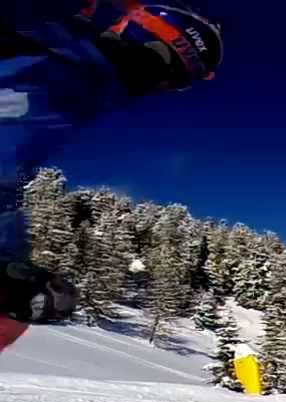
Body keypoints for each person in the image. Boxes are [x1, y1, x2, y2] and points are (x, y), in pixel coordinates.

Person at [0, 1, 222, 352]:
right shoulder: (56, 61)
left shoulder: (76, 76)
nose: (161, 86)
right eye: (167, 70)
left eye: (177, 83)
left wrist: (12, 264)